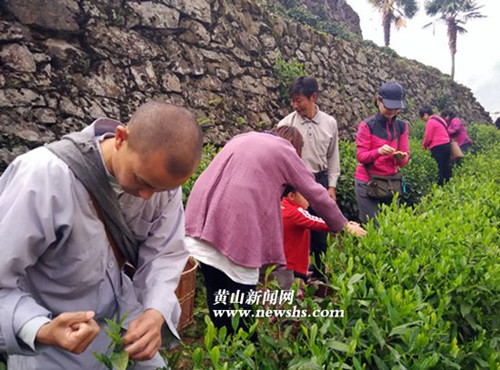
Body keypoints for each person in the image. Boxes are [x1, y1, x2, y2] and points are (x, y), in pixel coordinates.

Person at [0, 102, 203, 369]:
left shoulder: (160, 182)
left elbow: (165, 253)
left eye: (161, 189)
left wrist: (155, 312)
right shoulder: (43, 178)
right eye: (142, 181)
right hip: (54, 347)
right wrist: (41, 328)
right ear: (120, 138)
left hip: (124, 329)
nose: (147, 196)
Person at [184, 126, 365, 334]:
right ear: (296, 148)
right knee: (242, 304)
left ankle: (224, 344)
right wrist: (342, 225)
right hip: (236, 225)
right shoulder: (284, 150)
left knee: (217, 292)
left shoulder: (243, 136)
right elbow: (316, 193)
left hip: (201, 219)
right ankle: (243, 352)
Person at [277, 76, 340, 280]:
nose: (295, 105)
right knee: (297, 232)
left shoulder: (330, 123)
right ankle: (297, 276)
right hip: (295, 185)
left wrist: (331, 186)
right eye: (293, 101)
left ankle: (320, 276)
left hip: (319, 181)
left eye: (299, 100)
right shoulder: (286, 124)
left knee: (321, 231)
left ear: (313, 97)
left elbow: (333, 156)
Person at [355, 82, 410, 224]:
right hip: (368, 182)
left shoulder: (402, 127)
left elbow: (404, 159)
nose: (392, 112)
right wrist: (378, 152)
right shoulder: (367, 125)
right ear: (378, 101)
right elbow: (361, 157)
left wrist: (400, 158)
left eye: (396, 108)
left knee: (392, 225)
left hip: (391, 183)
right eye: (388, 107)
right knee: (372, 227)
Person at [281, 187, 331, 283]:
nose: (309, 200)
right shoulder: (296, 213)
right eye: (305, 195)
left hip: (278, 264)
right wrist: (346, 225)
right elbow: (324, 224)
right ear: (292, 196)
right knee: (290, 295)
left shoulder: (279, 206)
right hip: (293, 267)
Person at [420, 106, 452, 186]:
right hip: (447, 145)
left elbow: (428, 137)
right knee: (446, 165)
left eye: (422, 117)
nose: (423, 119)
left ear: (426, 115)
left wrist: (424, 146)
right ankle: (448, 184)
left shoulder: (430, 122)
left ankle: (440, 186)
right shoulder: (440, 119)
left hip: (438, 146)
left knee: (439, 167)